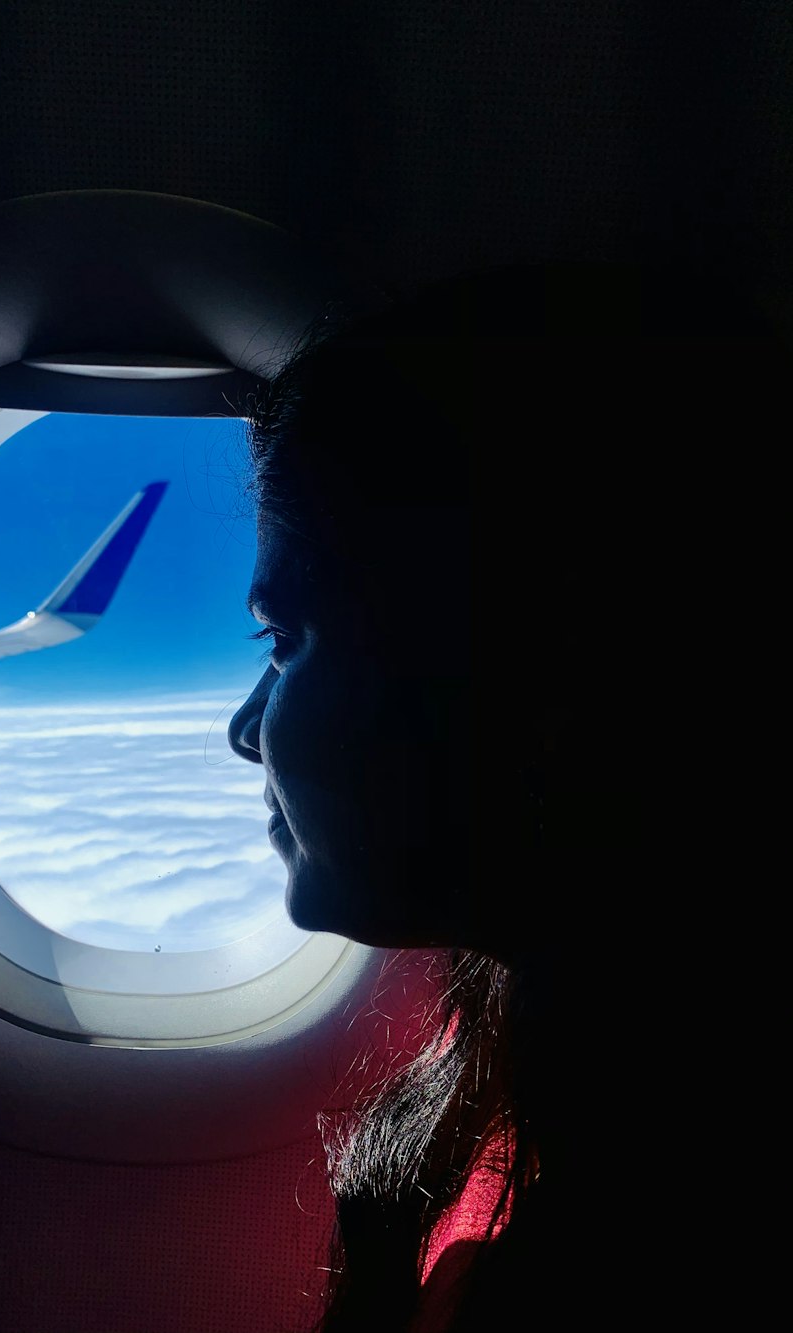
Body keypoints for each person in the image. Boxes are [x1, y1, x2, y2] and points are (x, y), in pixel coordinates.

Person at [227, 261, 783, 1332]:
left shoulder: (698, 1221)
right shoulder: (509, 1060)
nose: (244, 728)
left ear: (518, 671)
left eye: (284, 641)